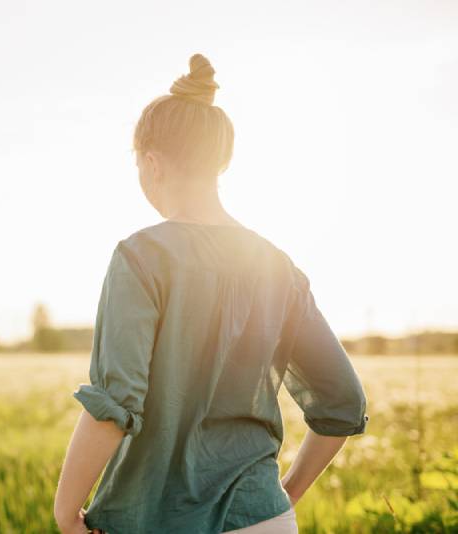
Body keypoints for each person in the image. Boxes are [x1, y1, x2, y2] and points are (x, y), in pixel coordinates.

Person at [53, 53, 369, 534]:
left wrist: (65, 513)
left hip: (153, 521)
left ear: (152, 163)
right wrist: (283, 495)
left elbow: (114, 403)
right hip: (266, 517)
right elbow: (344, 402)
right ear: (220, 162)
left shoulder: (141, 256)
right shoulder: (277, 266)